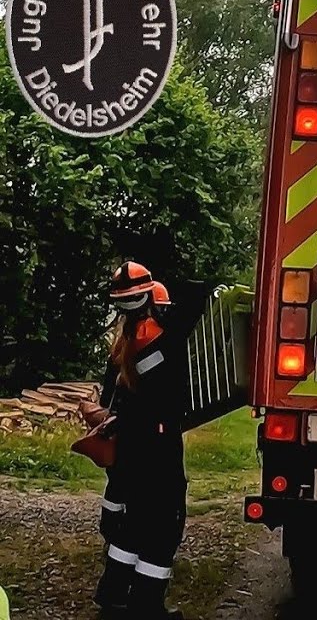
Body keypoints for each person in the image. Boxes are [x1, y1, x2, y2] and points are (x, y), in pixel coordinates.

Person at [92, 261, 188, 619]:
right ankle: (146, 606)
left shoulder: (125, 344)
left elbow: (114, 399)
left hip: (131, 451)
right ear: (153, 304)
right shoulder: (159, 345)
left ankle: (113, 594)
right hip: (156, 451)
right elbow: (168, 398)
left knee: (131, 527)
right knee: (163, 529)